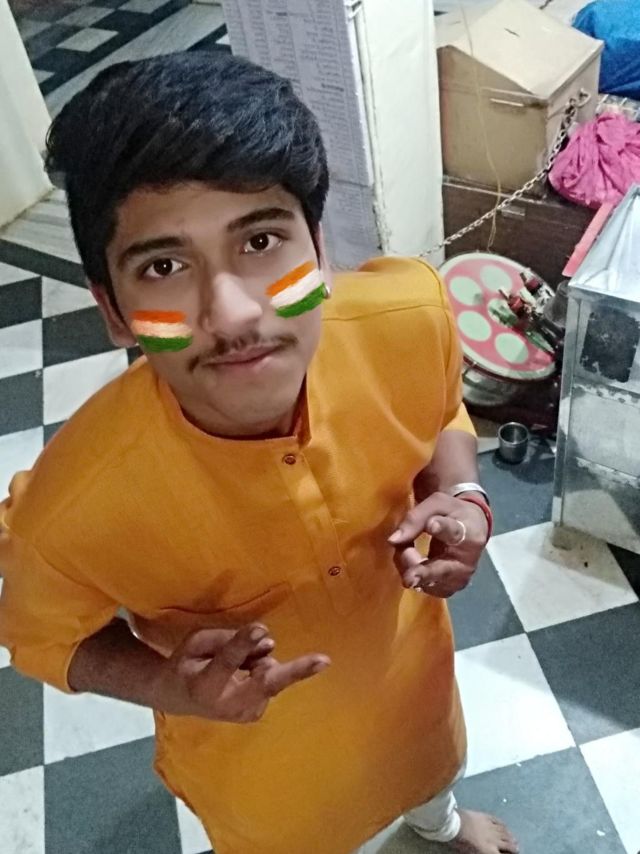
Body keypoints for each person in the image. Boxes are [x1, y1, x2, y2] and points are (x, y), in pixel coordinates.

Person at [0, 52, 518, 854]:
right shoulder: (69, 511)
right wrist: (169, 685)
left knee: (432, 767)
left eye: (262, 240)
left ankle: (439, 824)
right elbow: (44, 641)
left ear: (319, 250)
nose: (234, 311)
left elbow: (440, 405)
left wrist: (464, 494)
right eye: (164, 266)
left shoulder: (410, 318)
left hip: (413, 685)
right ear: (113, 311)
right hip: (263, 775)